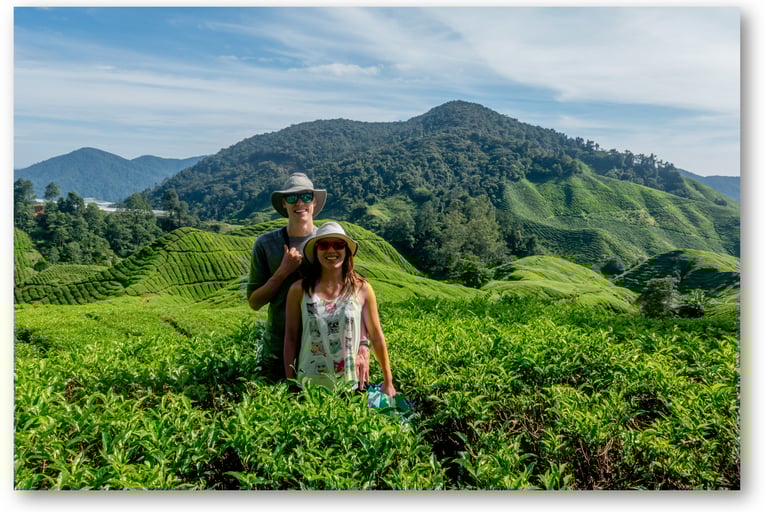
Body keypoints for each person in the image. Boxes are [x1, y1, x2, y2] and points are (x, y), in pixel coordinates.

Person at [246, 173, 370, 382]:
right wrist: (282, 271)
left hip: (326, 349)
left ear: (314, 201)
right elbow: (254, 302)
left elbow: (355, 293)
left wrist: (363, 344)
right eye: (292, 198)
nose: (299, 203)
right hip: (279, 345)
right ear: (284, 203)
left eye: (305, 196)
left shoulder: (327, 242)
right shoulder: (266, 244)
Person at [284, 222, 396, 397]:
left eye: (338, 244)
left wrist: (388, 380)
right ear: (316, 251)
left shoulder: (362, 289)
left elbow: (376, 335)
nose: (331, 250)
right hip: (308, 386)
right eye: (323, 245)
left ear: (346, 251)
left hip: (351, 385)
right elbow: (291, 337)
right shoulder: (299, 290)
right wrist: (290, 382)